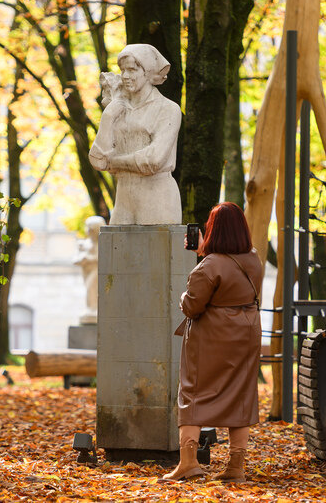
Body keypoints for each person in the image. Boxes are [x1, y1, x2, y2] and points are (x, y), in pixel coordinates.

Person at [163, 202, 263, 482]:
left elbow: (192, 306)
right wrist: (204, 252)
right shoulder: (253, 259)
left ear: (213, 230)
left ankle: (188, 462)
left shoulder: (209, 266)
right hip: (247, 332)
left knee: (194, 393)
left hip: (211, 336)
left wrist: (185, 293)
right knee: (241, 395)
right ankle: (235, 468)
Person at [89, 44, 182, 225]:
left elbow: (153, 160)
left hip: (157, 199)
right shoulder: (117, 109)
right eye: (122, 70)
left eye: (132, 70)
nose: (125, 76)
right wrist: (108, 117)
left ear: (148, 72)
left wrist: (114, 162)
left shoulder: (168, 109)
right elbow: (98, 160)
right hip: (124, 200)